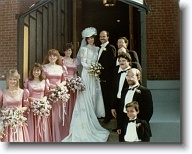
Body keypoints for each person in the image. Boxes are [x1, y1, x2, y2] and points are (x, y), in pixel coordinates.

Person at [62, 27, 109, 142]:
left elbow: (98, 60)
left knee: (94, 94)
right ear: (86, 40)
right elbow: (82, 62)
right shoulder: (83, 49)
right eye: (88, 39)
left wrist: (96, 69)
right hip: (87, 73)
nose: (90, 40)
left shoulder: (97, 48)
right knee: (86, 94)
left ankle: (93, 113)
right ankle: (86, 117)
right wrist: (91, 68)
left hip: (94, 75)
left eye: (92, 38)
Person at [117, 68, 153, 142]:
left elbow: (149, 111)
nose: (129, 78)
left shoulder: (145, 91)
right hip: (125, 124)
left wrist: (139, 123)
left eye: (132, 76)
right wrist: (119, 125)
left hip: (139, 126)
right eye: (127, 76)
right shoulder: (124, 91)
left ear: (138, 77)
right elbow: (120, 109)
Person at [42, 49, 68, 142]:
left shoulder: (61, 68)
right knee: (49, 115)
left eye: (54, 56)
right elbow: (42, 80)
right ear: (48, 57)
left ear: (57, 57)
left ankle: (58, 135)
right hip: (48, 94)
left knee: (58, 116)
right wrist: (50, 86)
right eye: (50, 56)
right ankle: (49, 136)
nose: (52, 57)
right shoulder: (44, 67)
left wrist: (60, 86)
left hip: (58, 94)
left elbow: (64, 80)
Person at [23, 63, 52, 142]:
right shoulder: (28, 82)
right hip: (32, 106)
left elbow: (46, 94)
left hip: (42, 106)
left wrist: (43, 101)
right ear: (32, 72)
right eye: (34, 70)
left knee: (42, 125)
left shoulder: (44, 82)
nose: (36, 72)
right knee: (32, 125)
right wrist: (33, 100)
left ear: (41, 72)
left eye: (38, 70)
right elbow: (25, 96)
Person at [0, 69, 30, 142]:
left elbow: (26, 106)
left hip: (18, 122)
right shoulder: (2, 92)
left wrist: (19, 110)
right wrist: (5, 112)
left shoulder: (23, 92)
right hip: (6, 123)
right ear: (7, 80)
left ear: (17, 80)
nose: (12, 81)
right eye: (10, 79)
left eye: (14, 79)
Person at [97, 30, 117, 124]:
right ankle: (104, 114)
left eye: (104, 36)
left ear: (108, 37)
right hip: (100, 77)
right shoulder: (99, 48)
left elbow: (112, 62)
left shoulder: (111, 47)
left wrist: (102, 70)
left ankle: (108, 116)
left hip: (107, 77)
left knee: (107, 96)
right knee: (102, 96)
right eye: (101, 36)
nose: (102, 38)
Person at [111, 52, 132, 132]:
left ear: (128, 61)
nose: (121, 62)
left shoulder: (132, 72)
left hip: (128, 101)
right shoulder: (116, 71)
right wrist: (112, 106)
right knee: (119, 124)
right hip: (118, 100)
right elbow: (113, 89)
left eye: (123, 60)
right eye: (119, 61)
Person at [61, 43, 78, 138]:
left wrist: (75, 81)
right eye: (67, 50)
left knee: (73, 101)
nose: (69, 52)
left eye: (70, 50)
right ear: (64, 51)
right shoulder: (62, 60)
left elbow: (75, 73)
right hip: (65, 82)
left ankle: (72, 119)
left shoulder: (74, 60)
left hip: (73, 84)